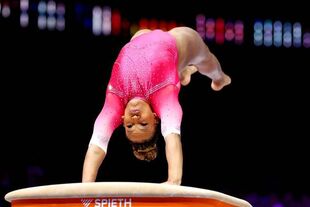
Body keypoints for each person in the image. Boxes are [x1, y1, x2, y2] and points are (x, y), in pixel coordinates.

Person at [82, 26, 231, 185]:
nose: (135, 118)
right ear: (155, 118)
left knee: (142, 37)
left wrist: (85, 188)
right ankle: (220, 78)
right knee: (206, 60)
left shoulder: (114, 104)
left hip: (141, 39)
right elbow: (172, 136)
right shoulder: (164, 98)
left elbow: (97, 146)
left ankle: (183, 73)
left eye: (130, 125)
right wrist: (174, 180)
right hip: (178, 44)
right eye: (143, 124)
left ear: (122, 119)